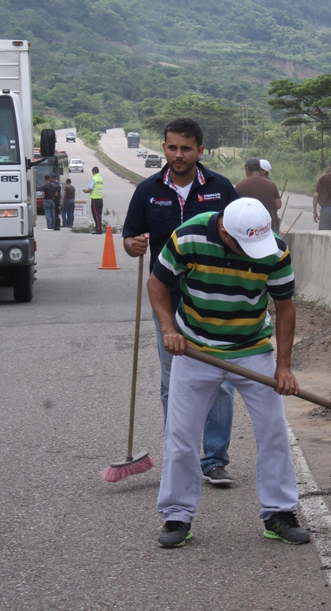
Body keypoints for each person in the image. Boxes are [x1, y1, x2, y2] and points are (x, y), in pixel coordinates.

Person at [147, 197, 309, 548]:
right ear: (224, 231)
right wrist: (168, 330)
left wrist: (283, 366)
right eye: (244, 245)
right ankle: (177, 515)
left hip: (252, 349)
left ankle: (279, 513)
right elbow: (157, 283)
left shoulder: (275, 250)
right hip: (194, 349)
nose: (253, 252)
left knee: (274, 432)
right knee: (181, 437)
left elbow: (285, 308)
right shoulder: (188, 237)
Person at [123, 117, 240, 486]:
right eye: (172, 147)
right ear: (164, 148)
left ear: (200, 151)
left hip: (215, 302)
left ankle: (214, 459)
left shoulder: (221, 189)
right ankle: (181, 455)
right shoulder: (148, 190)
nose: (178, 155)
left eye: (186, 148)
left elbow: (242, 237)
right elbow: (129, 238)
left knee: (220, 382)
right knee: (173, 381)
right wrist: (133, 245)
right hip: (169, 301)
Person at [236, 156, 282, 230]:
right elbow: (278, 205)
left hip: (248, 228)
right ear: (259, 169)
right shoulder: (271, 184)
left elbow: (235, 207)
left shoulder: (240, 185)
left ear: (247, 169)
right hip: (267, 226)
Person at [83, 167, 104, 234]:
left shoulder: (93, 178)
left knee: (96, 215)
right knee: (99, 214)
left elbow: (90, 189)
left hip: (95, 199)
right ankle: (99, 228)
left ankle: (98, 229)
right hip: (100, 199)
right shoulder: (100, 179)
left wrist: (86, 191)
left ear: (93, 171)